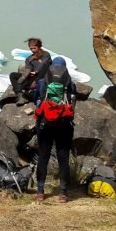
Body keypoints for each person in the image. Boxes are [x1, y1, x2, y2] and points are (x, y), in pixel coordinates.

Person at [34, 56, 76, 202]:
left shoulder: (41, 83)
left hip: (45, 124)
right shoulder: (69, 84)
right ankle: (63, 193)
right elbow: (73, 101)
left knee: (43, 157)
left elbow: (36, 100)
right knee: (63, 158)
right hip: (64, 125)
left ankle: (40, 192)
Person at [9, 38, 52, 105]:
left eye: (34, 48)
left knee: (40, 76)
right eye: (31, 48)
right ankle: (20, 96)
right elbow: (28, 68)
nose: (32, 50)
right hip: (32, 78)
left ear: (39, 46)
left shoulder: (46, 55)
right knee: (13, 75)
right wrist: (23, 77)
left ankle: (30, 93)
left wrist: (36, 72)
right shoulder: (29, 58)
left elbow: (43, 64)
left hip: (43, 77)